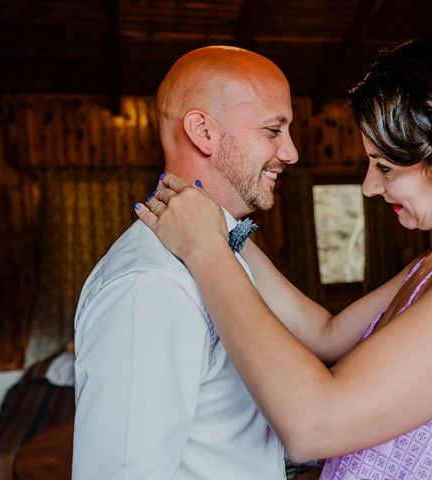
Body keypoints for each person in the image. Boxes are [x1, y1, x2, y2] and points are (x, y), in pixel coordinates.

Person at [137, 33, 432, 479]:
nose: (369, 187)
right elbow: (326, 332)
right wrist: (220, 224)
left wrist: (206, 253)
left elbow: (315, 425)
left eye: (386, 167)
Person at [73, 45, 298, 479]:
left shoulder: (223, 251)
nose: (291, 153)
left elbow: (326, 333)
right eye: (274, 130)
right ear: (203, 132)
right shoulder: (151, 283)